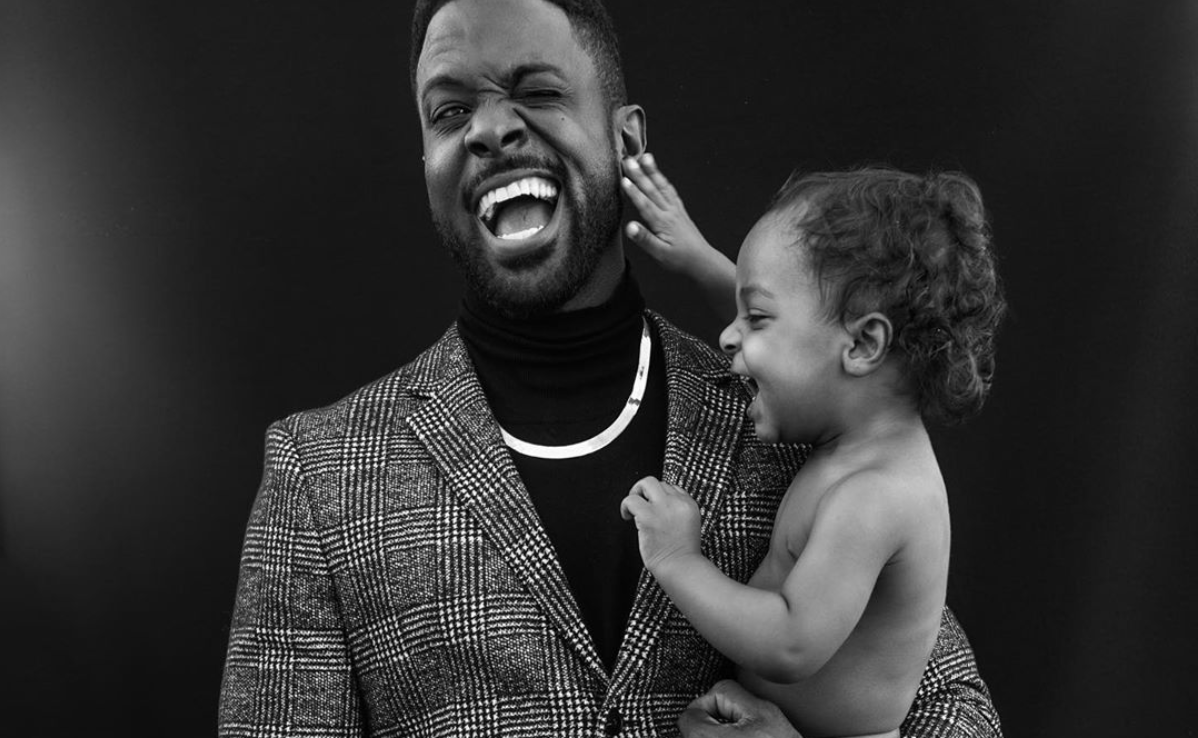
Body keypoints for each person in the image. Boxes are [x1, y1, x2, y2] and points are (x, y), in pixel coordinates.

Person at [218, 1, 1002, 736]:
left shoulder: (802, 423)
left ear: (627, 140)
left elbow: (947, 706)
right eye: (450, 112)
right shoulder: (319, 476)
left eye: (537, 91)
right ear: (429, 161)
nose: (489, 129)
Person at [619, 162, 1006, 737]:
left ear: (864, 344)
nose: (728, 336)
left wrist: (678, 558)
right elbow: (799, 334)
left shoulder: (875, 496)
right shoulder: (860, 435)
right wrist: (699, 258)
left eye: (754, 317)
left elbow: (790, 643)